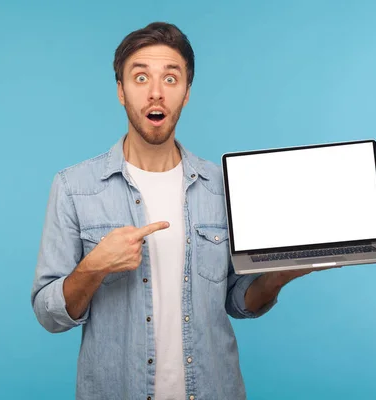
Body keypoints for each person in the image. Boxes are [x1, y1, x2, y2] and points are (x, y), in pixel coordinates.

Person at [31, 21, 324, 400]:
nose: (156, 93)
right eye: (140, 78)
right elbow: (47, 314)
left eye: (171, 79)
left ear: (186, 93)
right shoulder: (73, 187)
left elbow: (238, 301)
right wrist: (95, 265)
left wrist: (277, 278)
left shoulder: (223, 186)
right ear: (120, 91)